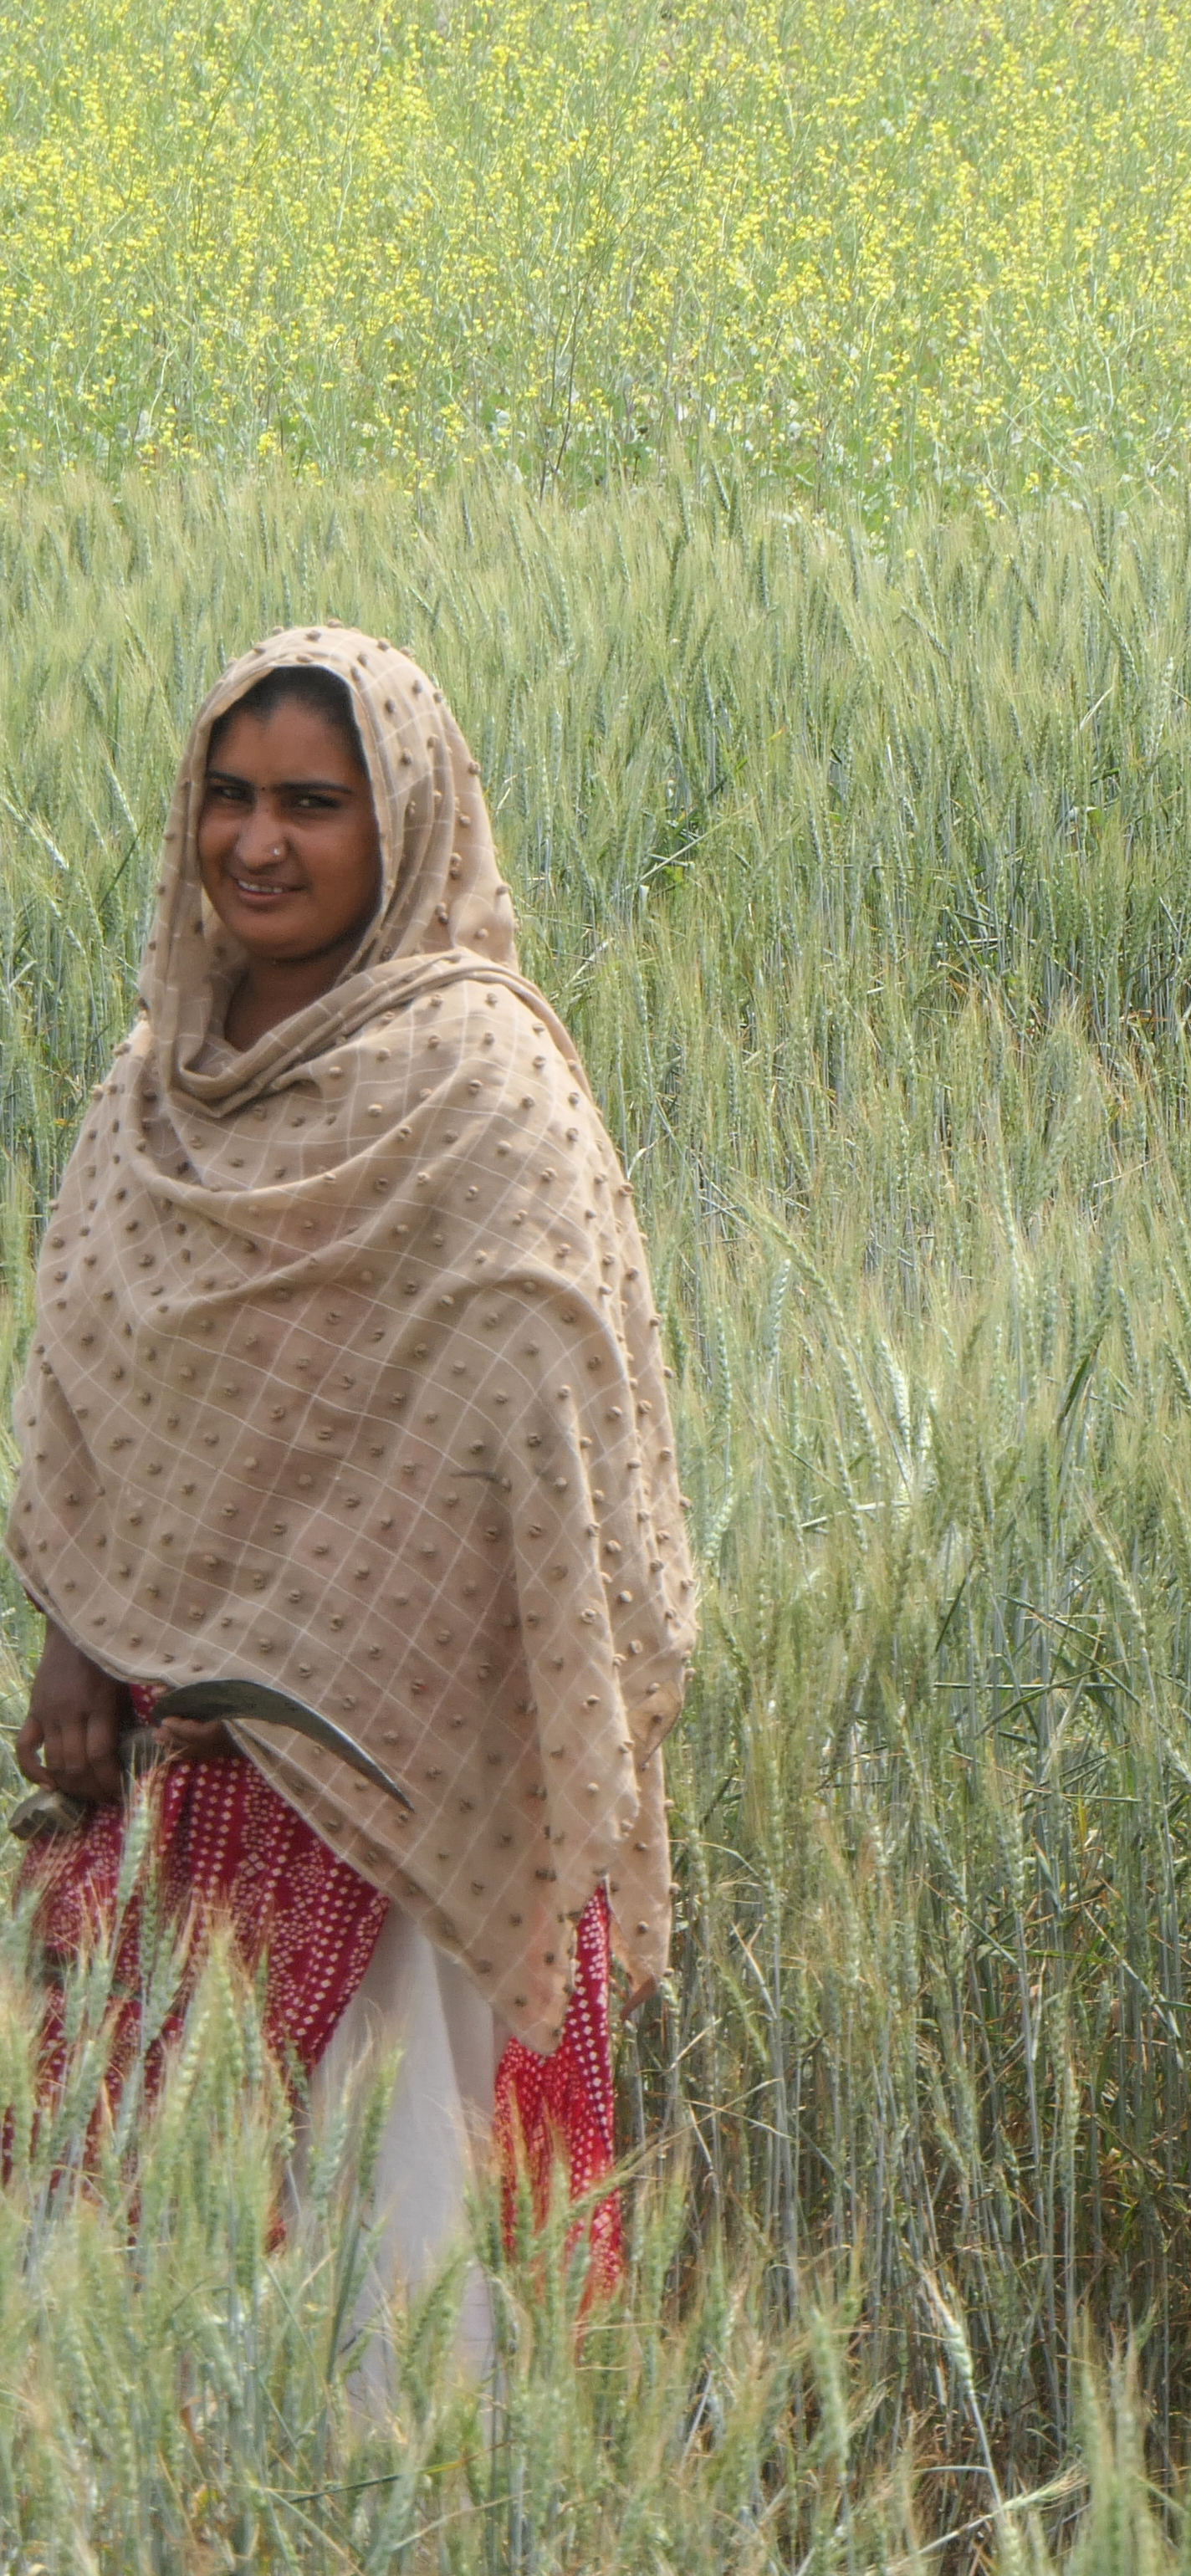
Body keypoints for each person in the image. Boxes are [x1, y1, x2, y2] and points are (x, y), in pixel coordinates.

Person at [11, 628, 697, 2333]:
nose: (258, 843)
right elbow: (104, 1396)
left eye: (313, 804)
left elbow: (546, 1420)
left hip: (415, 1786)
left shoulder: (483, 1079)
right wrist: (83, 1642)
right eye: (228, 799)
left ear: (405, 826)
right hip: (173, 1779)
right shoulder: (156, 1085)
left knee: (394, 2286)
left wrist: (354, 1654)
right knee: (124, 2269)